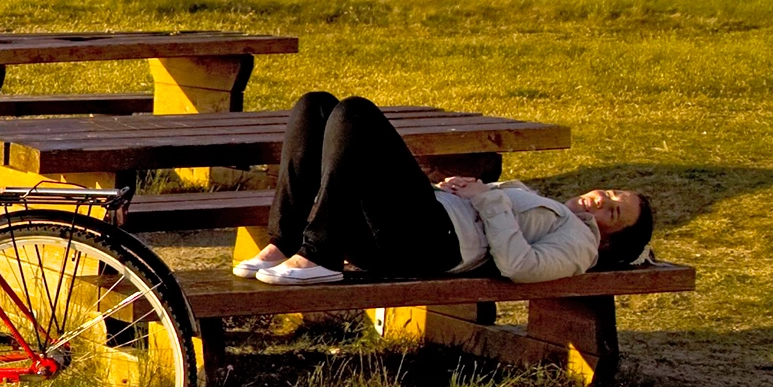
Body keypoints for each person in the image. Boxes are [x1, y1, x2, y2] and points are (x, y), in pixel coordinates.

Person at [234, 92, 655, 286]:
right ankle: (285, 241)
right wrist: (457, 189)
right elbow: (489, 211)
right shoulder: (550, 208)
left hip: (433, 244)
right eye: (611, 193)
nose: (602, 200)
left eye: (613, 212)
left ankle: (319, 254)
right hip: (420, 223)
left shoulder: (581, 244)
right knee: (316, 107)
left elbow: (521, 267)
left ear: (609, 242)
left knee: (355, 115)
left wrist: (487, 198)